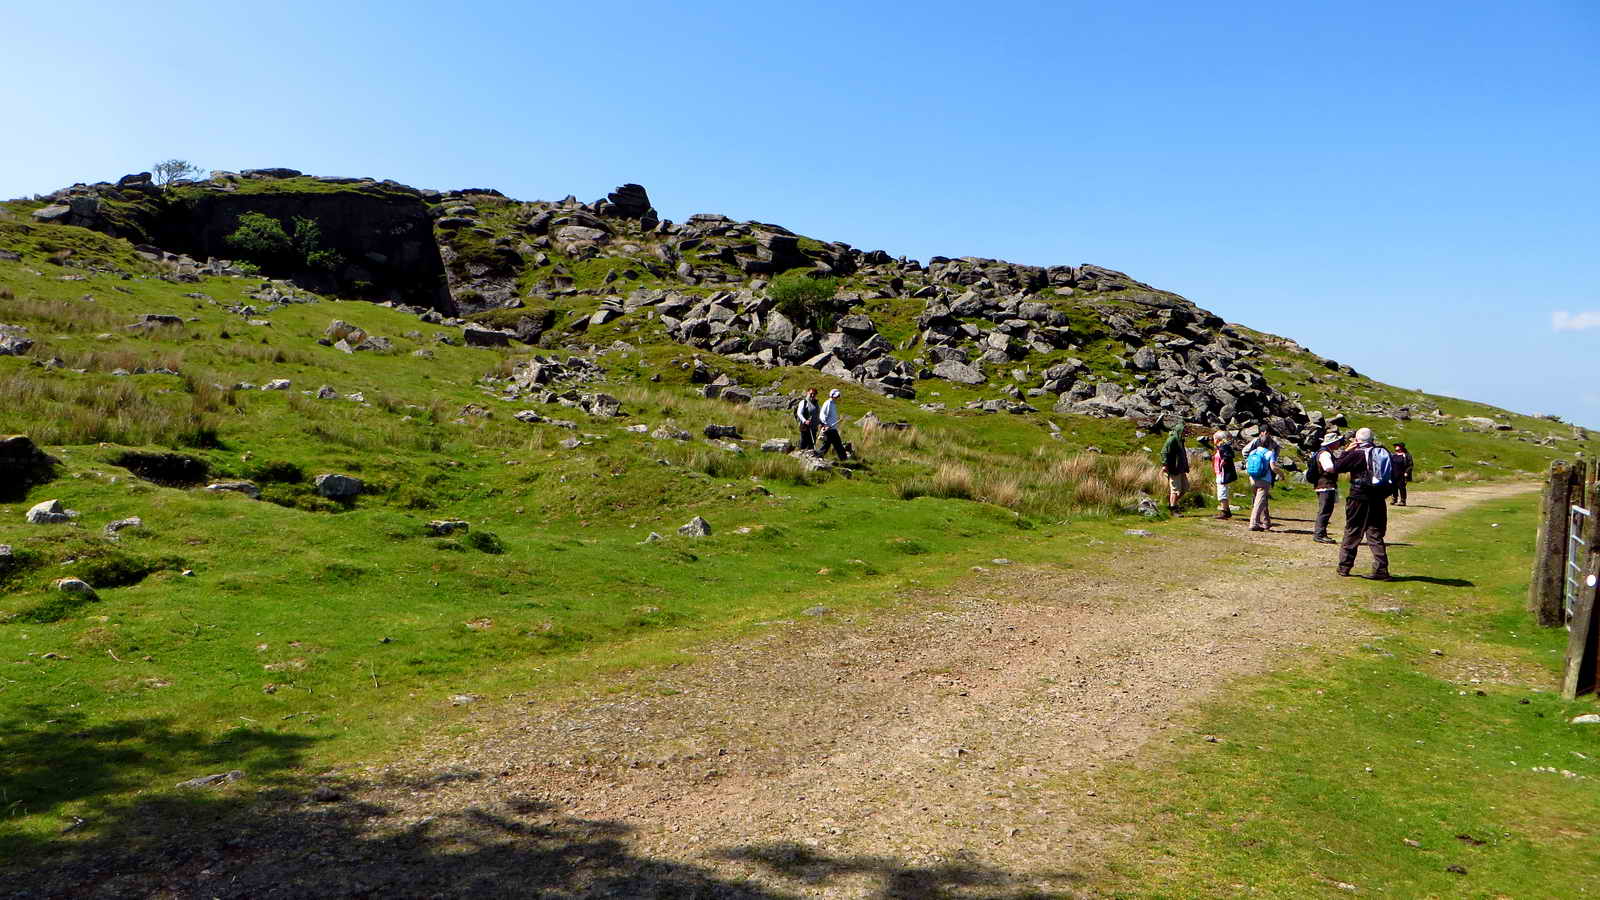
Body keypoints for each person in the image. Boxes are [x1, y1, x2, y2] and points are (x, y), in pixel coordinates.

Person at [1329, 427, 1392, 580]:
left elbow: (1336, 467)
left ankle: (1344, 566)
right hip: (1377, 498)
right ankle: (1381, 569)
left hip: (1358, 497)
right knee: (1375, 533)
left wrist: (1347, 451)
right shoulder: (1382, 453)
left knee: (1353, 530)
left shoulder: (1356, 454)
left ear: (1357, 440)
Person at [1310, 431, 1343, 543]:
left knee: (1325, 509)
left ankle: (1321, 533)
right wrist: (1338, 467)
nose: (1339, 443)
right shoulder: (1325, 454)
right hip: (1325, 485)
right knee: (1325, 510)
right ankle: (1319, 534)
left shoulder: (1324, 452)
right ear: (1332, 443)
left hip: (1323, 484)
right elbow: (1328, 468)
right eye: (1337, 441)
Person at [1244, 433, 1281, 531]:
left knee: (1261, 500)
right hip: (1264, 480)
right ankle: (1253, 523)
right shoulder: (1269, 453)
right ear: (1269, 443)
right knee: (1259, 502)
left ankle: (1266, 522)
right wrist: (1281, 474)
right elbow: (1273, 467)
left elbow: (1247, 464)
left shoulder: (1253, 452)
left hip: (1253, 478)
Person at [1160, 425, 1190, 514]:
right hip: (1174, 469)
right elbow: (1164, 452)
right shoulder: (1172, 439)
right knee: (1175, 490)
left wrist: (1186, 466)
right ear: (1180, 430)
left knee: (1185, 488)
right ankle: (1173, 509)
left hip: (1181, 469)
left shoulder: (1180, 440)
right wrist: (1165, 465)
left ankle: (1172, 504)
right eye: (1184, 431)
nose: (1185, 432)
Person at [1211, 430, 1237, 519]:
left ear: (1217, 439)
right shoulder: (1221, 447)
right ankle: (1227, 510)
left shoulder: (1223, 447)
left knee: (1222, 491)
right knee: (1222, 490)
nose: (1213, 440)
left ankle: (1224, 511)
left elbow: (1228, 455)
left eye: (1214, 438)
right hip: (1220, 472)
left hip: (1223, 472)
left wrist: (1223, 461)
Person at [817, 388, 848, 459]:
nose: (837, 397)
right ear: (832, 396)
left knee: (830, 444)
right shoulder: (828, 403)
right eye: (836, 396)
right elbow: (822, 415)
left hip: (832, 428)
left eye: (838, 396)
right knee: (836, 444)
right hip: (829, 428)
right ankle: (844, 459)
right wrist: (825, 425)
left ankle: (818, 456)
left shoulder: (833, 404)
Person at [1390, 442, 1413, 506]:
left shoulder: (1406, 455)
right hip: (1393, 473)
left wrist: (1407, 472)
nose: (1396, 447)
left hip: (1402, 474)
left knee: (1402, 487)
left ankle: (1403, 501)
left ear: (1401, 447)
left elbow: (1410, 465)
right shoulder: (1393, 455)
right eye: (1395, 446)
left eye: (1397, 446)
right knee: (1393, 487)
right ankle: (1394, 499)